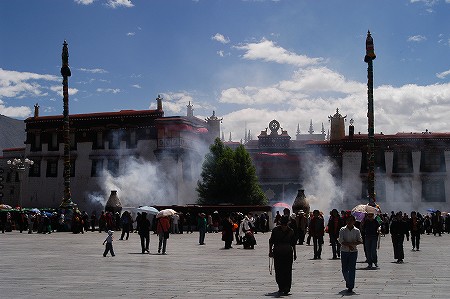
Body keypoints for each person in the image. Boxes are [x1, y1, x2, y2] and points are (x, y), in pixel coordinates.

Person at [269, 215, 297, 296]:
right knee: (284, 270)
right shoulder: (290, 231)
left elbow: (271, 241)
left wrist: (270, 251)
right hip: (285, 252)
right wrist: (295, 253)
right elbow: (293, 243)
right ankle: (284, 286)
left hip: (281, 252)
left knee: (281, 270)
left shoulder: (277, 230)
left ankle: (283, 287)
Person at [338, 215, 363, 293]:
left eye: (351, 221)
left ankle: (351, 285)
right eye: (348, 220)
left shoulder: (357, 230)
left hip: (353, 252)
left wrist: (352, 244)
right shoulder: (342, 230)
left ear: (354, 221)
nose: (349, 222)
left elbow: (360, 240)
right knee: (344, 269)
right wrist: (349, 245)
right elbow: (341, 240)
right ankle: (348, 281)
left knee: (352, 268)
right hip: (344, 251)